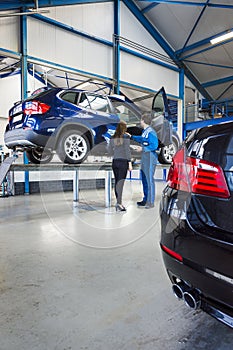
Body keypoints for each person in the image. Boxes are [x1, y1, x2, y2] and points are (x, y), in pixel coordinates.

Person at [131, 112, 158, 209]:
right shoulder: (146, 131)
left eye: (141, 120)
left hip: (150, 157)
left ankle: (151, 202)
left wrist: (143, 149)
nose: (140, 122)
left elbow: (154, 145)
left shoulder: (151, 132)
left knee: (149, 179)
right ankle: (146, 199)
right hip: (145, 157)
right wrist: (131, 137)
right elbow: (142, 139)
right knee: (144, 178)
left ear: (143, 121)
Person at [108, 121, 132, 211]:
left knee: (117, 182)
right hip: (123, 162)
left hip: (115, 162)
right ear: (124, 128)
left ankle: (118, 202)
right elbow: (127, 150)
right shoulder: (125, 137)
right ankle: (119, 204)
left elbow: (109, 150)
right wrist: (129, 162)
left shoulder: (112, 137)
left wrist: (116, 153)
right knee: (120, 184)